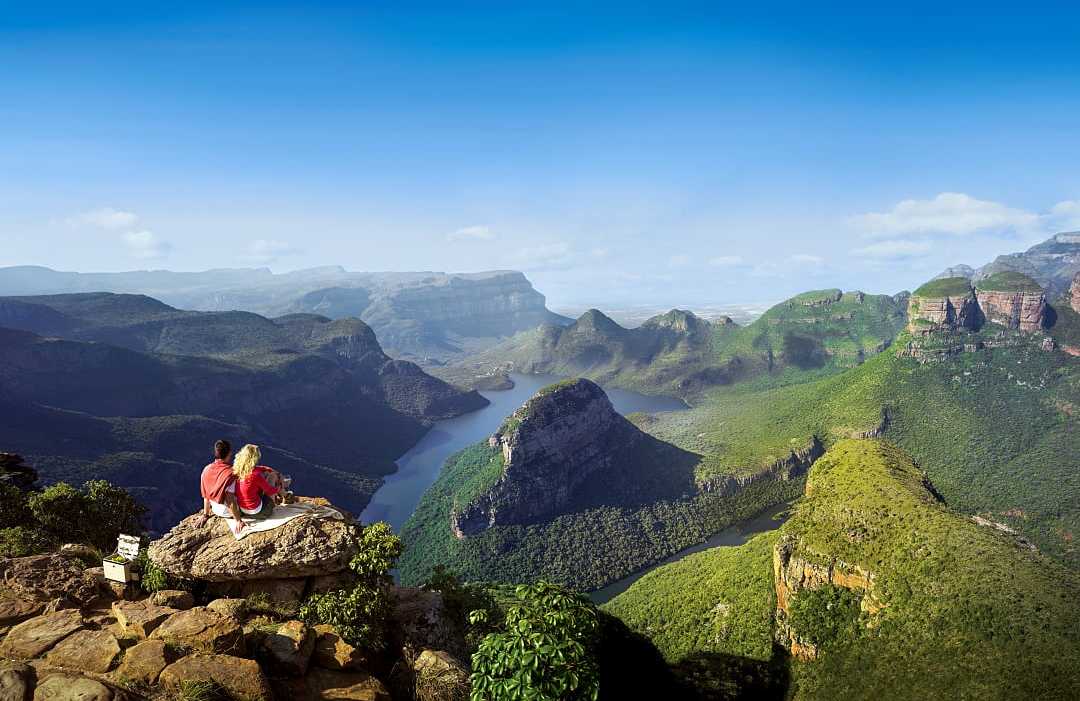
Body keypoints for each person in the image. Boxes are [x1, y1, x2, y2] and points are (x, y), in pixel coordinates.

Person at [195, 439, 247, 531]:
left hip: (215, 509)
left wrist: (205, 515)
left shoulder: (206, 469)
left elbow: (206, 494)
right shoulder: (231, 473)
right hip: (228, 512)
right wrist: (238, 520)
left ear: (216, 452)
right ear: (230, 453)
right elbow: (230, 499)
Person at [231, 443, 286, 520]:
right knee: (272, 476)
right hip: (260, 513)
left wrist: (267, 469)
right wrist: (278, 489)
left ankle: (285, 495)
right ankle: (285, 495)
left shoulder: (237, 471)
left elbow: (258, 468)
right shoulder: (255, 475)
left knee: (266, 476)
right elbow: (269, 491)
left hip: (243, 511)